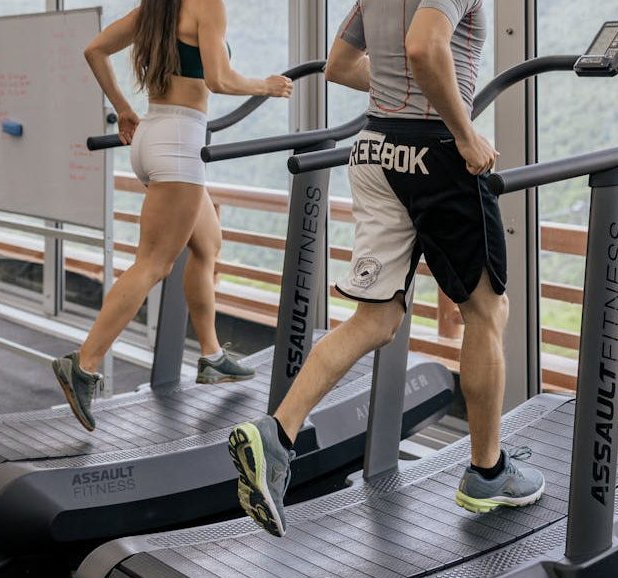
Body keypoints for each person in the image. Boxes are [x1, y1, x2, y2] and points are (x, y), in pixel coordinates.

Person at [227, 0, 545, 537]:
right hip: (436, 154)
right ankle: (488, 472)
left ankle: (277, 435)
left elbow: (340, 66)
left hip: (375, 149)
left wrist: (406, 90)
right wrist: (464, 132)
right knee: (486, 310)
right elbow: (423, 45)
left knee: (375, 319)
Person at [52, 0, 293, 432]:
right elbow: (219, 79)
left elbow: (94, 50)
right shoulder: (207, 5)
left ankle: (211, 356)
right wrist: (266, 86)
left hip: (153, 133)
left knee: (208, 243)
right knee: (153, 263)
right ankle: (84, 364)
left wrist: (123, 109)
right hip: (180, 141)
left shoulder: (156, 8)